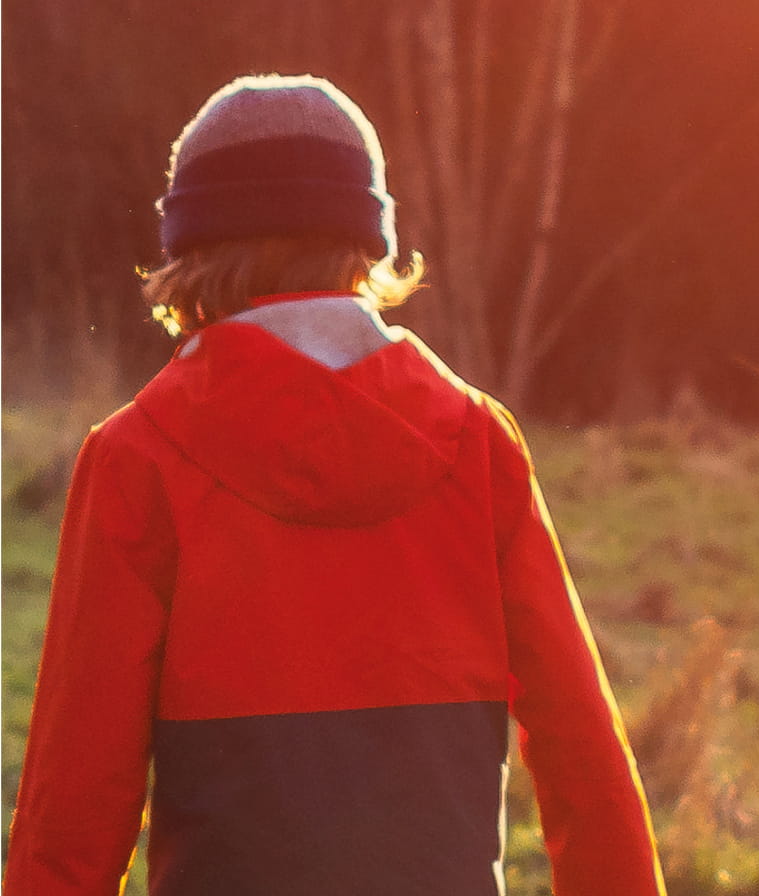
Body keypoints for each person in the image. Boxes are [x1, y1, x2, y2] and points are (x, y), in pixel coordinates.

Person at [5, 76, 665, 894]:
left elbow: (74, 802)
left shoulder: (137, 460)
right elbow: (585, 759)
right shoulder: (477, 444)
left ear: (190, 251)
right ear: (368, 243)